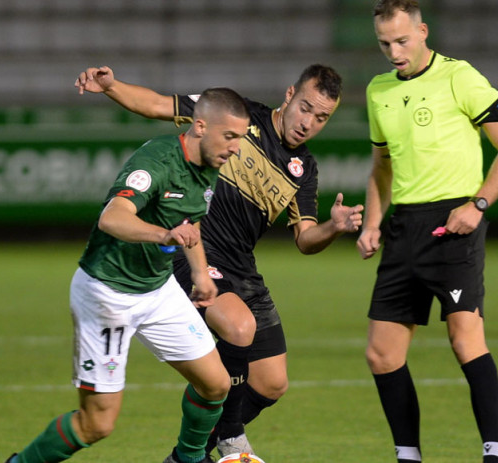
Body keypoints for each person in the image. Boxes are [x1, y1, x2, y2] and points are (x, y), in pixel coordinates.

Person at [74, 64, 363, 458]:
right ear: (290, 93)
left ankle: (186, 456)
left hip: (241, 267)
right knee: (238, 327)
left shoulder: (304, 170)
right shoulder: (237, 115)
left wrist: (333, 226)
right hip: (194, 249)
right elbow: (159, 105)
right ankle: (231, 436)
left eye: (321, 117)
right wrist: (110, 87)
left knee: (272, 382)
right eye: (306, 108)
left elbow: (306, 240)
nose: (308, 123)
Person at [5, 88, 251, 463]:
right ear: (200, 126)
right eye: (230, 136)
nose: (236, 147)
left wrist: (201, 274)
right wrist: (163, 235)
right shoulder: (157, 160)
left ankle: (186, 459)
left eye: (241, 138)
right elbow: (113, 217)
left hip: (157, 289)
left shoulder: (209, 166)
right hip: (109, 295)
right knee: (96, 425)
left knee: (216, 384)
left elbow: (189, 224)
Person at [355, 1, 498, 462]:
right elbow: (380, 168)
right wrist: (372, 223)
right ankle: (408, 456)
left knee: (465, 339)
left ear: (423, 31)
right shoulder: (379, 90)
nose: (394, 51)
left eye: (402, 40)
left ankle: (494, 454)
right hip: (403, 226)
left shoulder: (460, 76)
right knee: (381, 354)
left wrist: (478, 205)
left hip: (453, 222)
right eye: (384, 43)